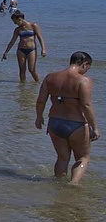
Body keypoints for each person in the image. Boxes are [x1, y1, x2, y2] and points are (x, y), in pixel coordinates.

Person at [35, 52, 97, 184]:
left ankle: (58, 185)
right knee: (83, 157)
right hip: (76, 124)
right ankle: (73, 185)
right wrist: (94, 127)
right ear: (84, 64)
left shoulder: (50, 77)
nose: (86, 71)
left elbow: (40, 101)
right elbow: (86, 105)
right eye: (87, 68)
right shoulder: (83, 80)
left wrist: (38, 117)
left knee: (62, 158)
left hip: (54, 123)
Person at [1, 11, 47, 83]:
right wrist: (6, 52)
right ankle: (22, 88)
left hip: (31, 50)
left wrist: (43, 49)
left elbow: (40, 37)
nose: (15, 24)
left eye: (15, 22)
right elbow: (12, 41)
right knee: (22, 70)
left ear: (20, 19)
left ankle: (38, 83)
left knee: (31, 69)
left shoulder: (33, 26)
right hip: (21, 50)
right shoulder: (17, 30)